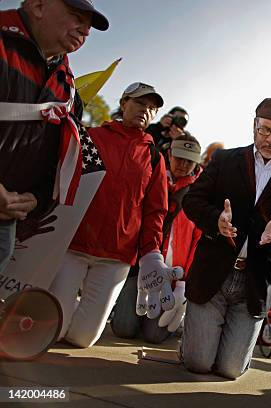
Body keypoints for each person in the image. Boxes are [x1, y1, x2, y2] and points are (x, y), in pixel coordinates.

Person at [180, 97, 271, 379]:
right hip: (212, 274)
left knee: (230, 370)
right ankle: (194, 344)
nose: (270, 139)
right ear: (254, 126)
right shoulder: (224, 160)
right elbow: (192, 200)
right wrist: (216, 220)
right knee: (198, 363)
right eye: (264, 130)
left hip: (255, 282)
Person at [48, 82, 178, 348]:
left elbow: (156, 211)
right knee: (54, 329)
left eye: (152, 108)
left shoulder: (154, 157)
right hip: (74, 245)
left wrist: (151, 253)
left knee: (83, 339)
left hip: (116, 256)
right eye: (140, 103)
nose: (146, 110)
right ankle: (63, 300)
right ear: (123, 103)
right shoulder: (92, 136)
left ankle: (70, 307)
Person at [0, 0, 108, 274]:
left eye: (89, 25)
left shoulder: (69, 91)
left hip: (5, 220)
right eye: (76, 16)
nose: (85, 30)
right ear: (37, 5)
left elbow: (57, 158)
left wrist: (36, 199)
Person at [111, 134, 202, 343]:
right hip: (140, 267)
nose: (183, 164)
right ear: (169, 154)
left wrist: (184, 282)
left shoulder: (200, 192)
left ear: (196, 163)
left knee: (155, 335)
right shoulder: (152, 174)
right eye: (179, 157)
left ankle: (177, 322)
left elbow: (198, 240)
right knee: (124, 329)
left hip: (171, 275)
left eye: (189, 160)